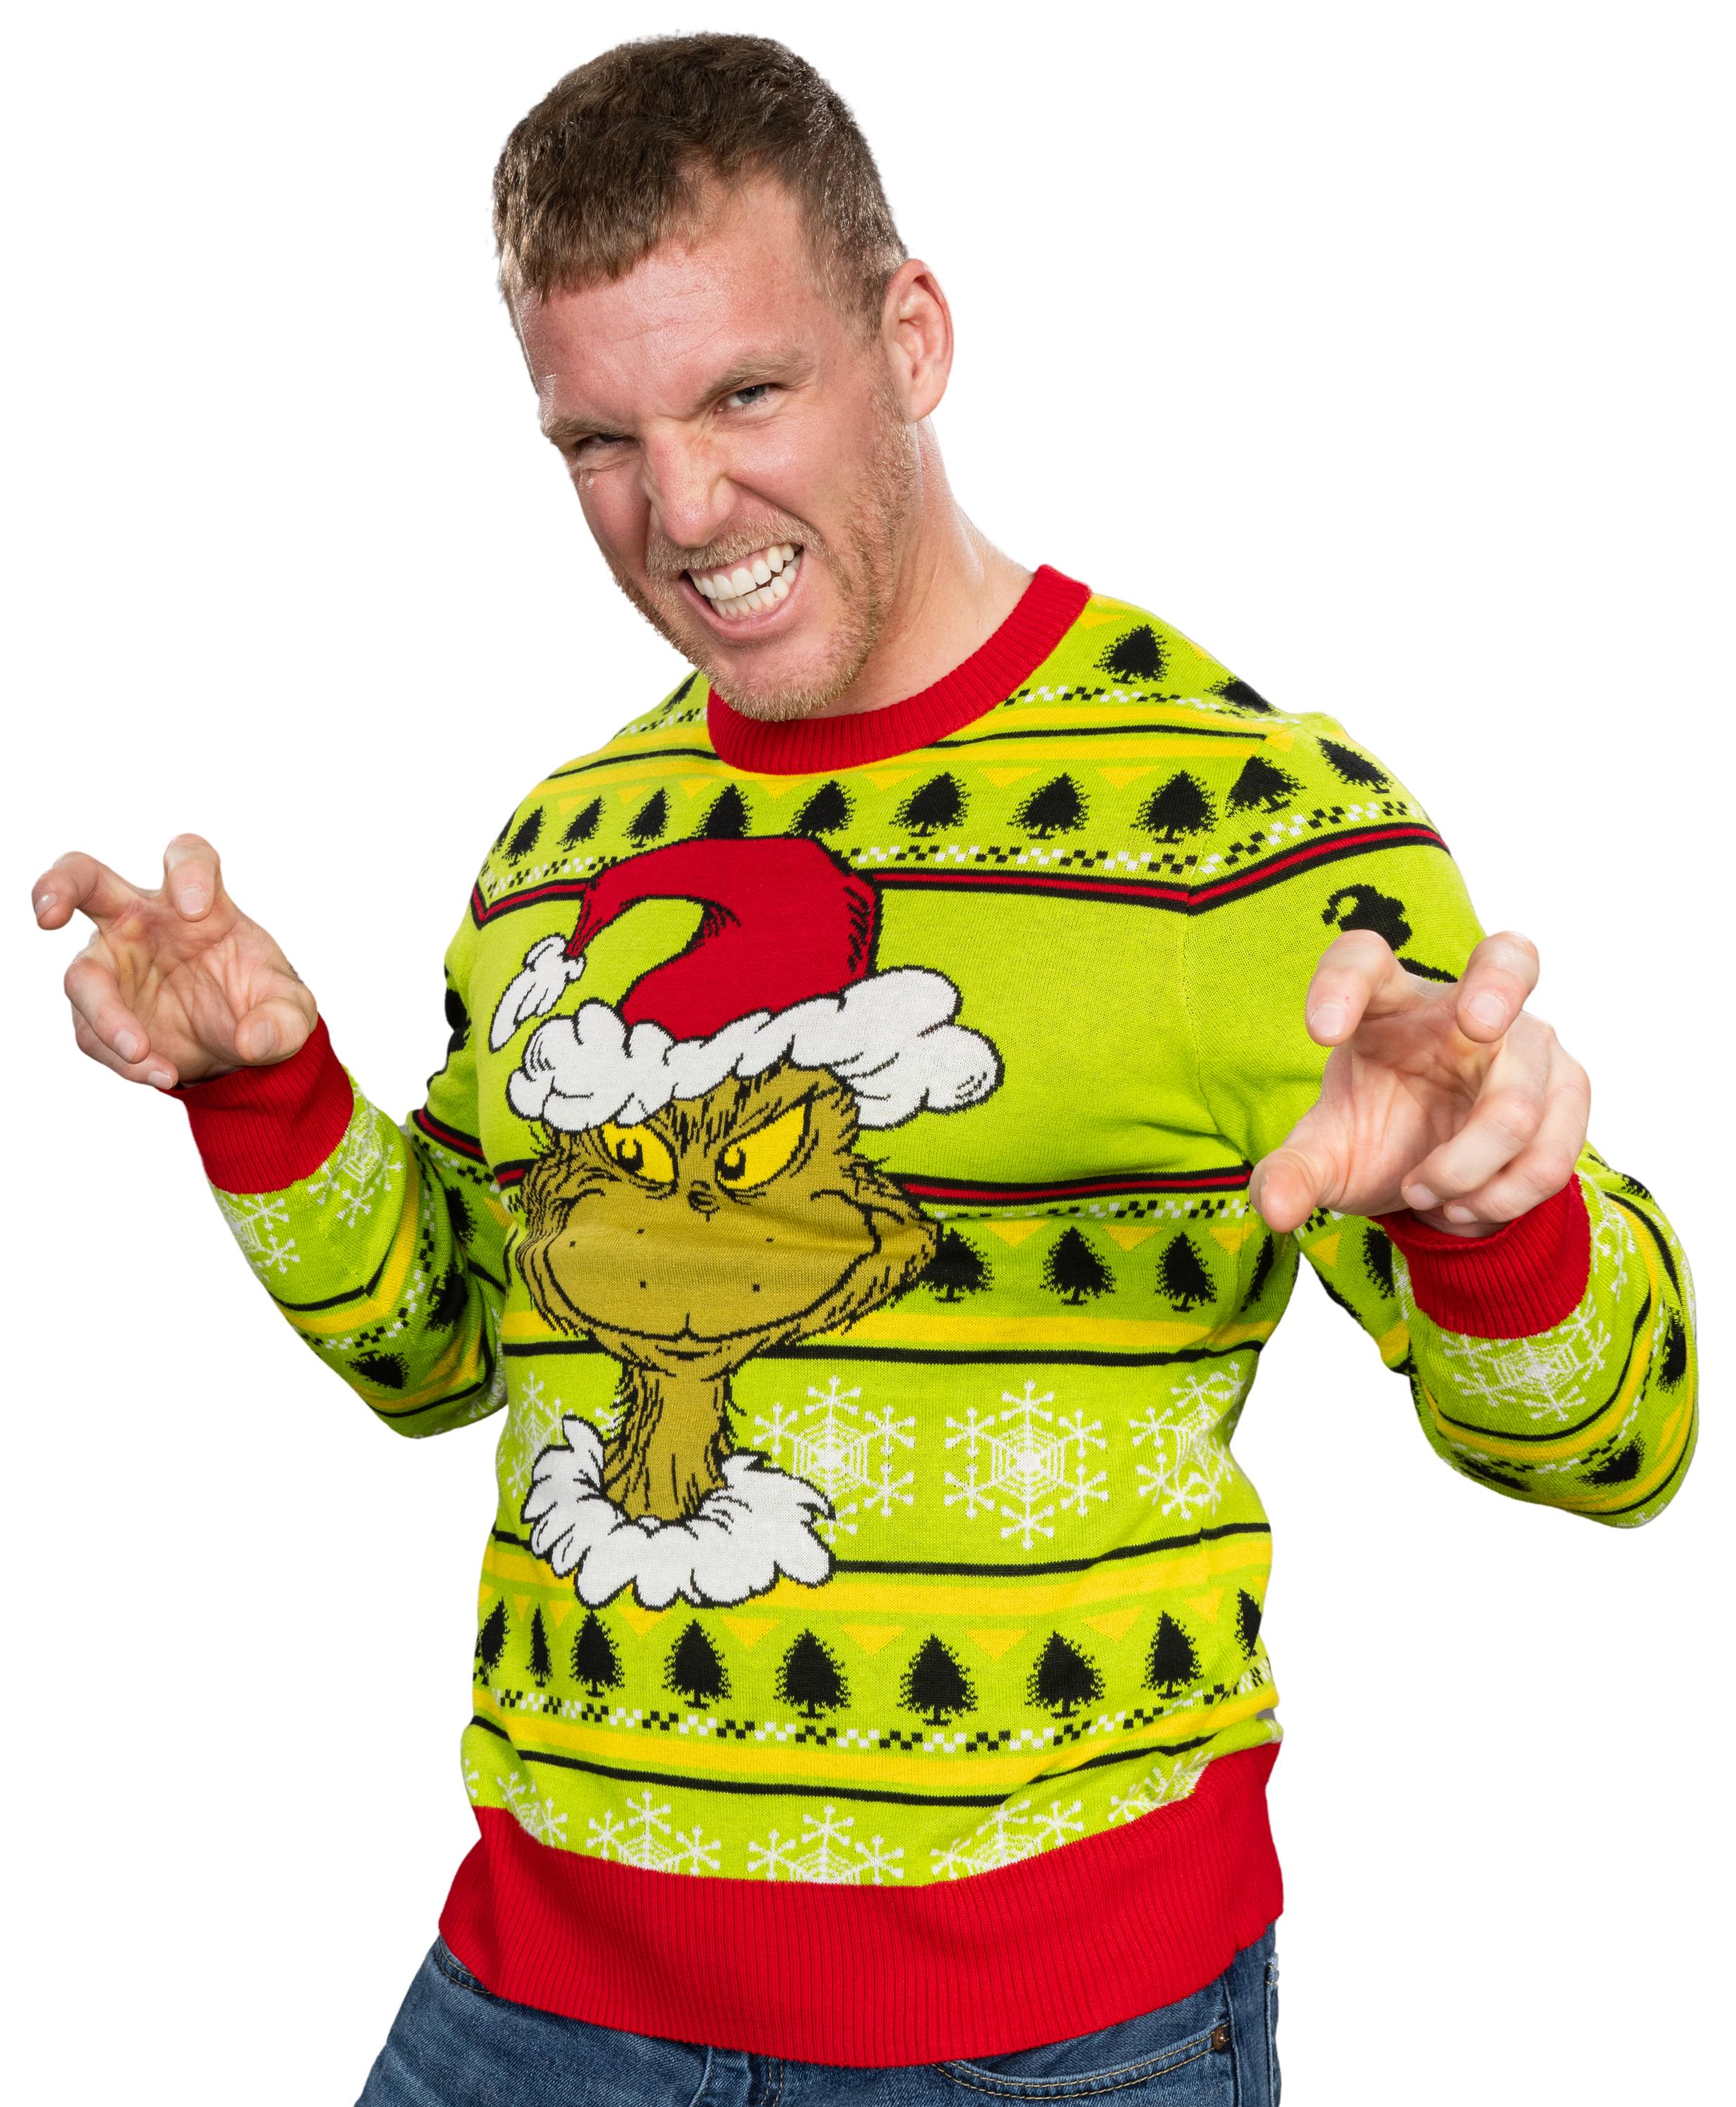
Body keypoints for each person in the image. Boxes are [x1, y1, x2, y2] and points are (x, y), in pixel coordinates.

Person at [30, 32, 1695, 2106]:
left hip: (1047, 2042)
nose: (681, 509)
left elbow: (1618, 1445)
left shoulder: (1246, 832)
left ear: (911, 338)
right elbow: (447, 1351)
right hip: (537, 1996)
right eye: (600, 438)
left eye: (747, 394)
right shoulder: (567, 847)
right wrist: (267, 1098)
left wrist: (1497, 1218)